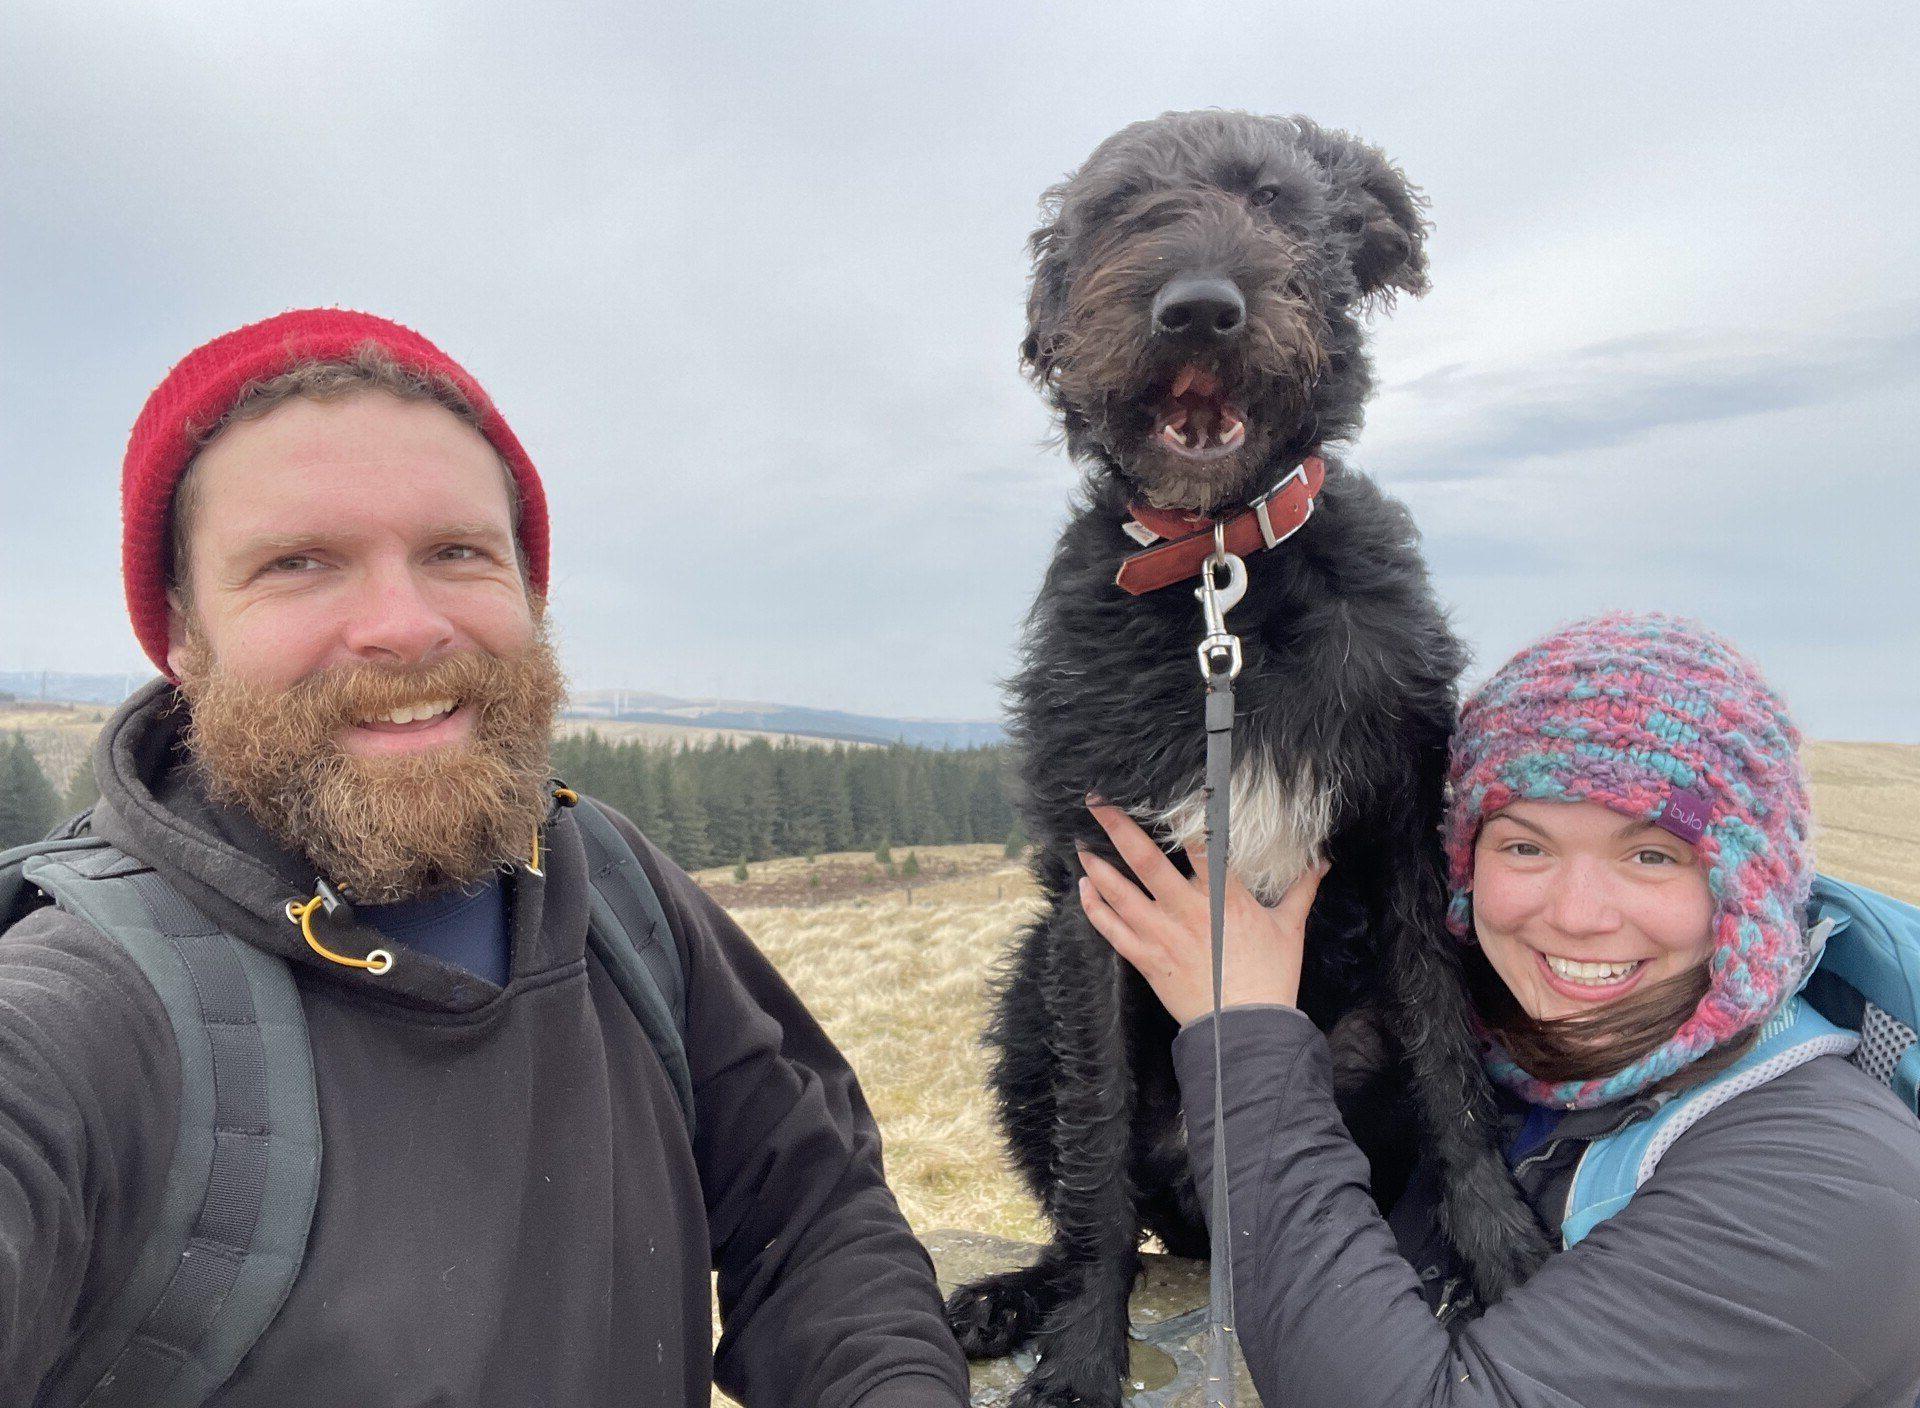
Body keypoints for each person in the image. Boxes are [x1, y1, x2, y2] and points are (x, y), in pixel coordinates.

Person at [0, 309, 967, 1406]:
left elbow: (813, 1212)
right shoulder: (85, 1009)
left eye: (456, 552)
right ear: (180, 633)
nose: (405, 625)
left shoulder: (610, 888)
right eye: (298, 563)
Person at [1078, 612, 1920, 1406]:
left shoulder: (1824, 1182)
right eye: (1525, 845)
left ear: (1750, 883)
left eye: (1653, 854)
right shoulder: (1508, 1062)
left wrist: (1244, 1029)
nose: (1577, 912)